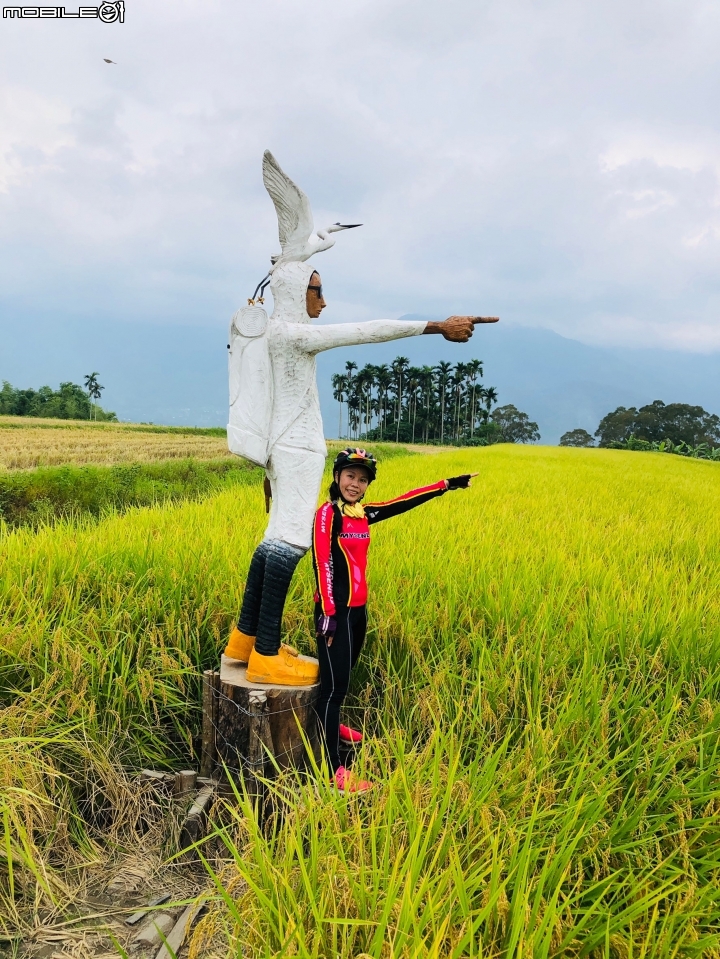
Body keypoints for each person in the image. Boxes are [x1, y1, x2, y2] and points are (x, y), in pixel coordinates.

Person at [224, 260, 495, 686]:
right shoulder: (294, 333)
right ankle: (266, 653)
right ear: (296, 291)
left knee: (271, 540)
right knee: (288, 544)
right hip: (296, 450)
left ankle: (244, 640)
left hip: (285, 448)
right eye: (316, 290)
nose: (323, 300)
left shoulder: (275, 331)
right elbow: (366, 331)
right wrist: (437, 326)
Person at [312, 447, 477, 792]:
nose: (355, 484)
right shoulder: (329, 514)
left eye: (362, 479)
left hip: (358, 610)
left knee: (343, 678)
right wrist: (328, 614)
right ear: (337, 476)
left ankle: (332, 722)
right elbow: (322, 563)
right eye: (350, 476)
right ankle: (332, 769)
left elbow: (404, 501)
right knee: (332, 688)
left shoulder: (363, 514)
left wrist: (447, 484)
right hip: (335, 613)